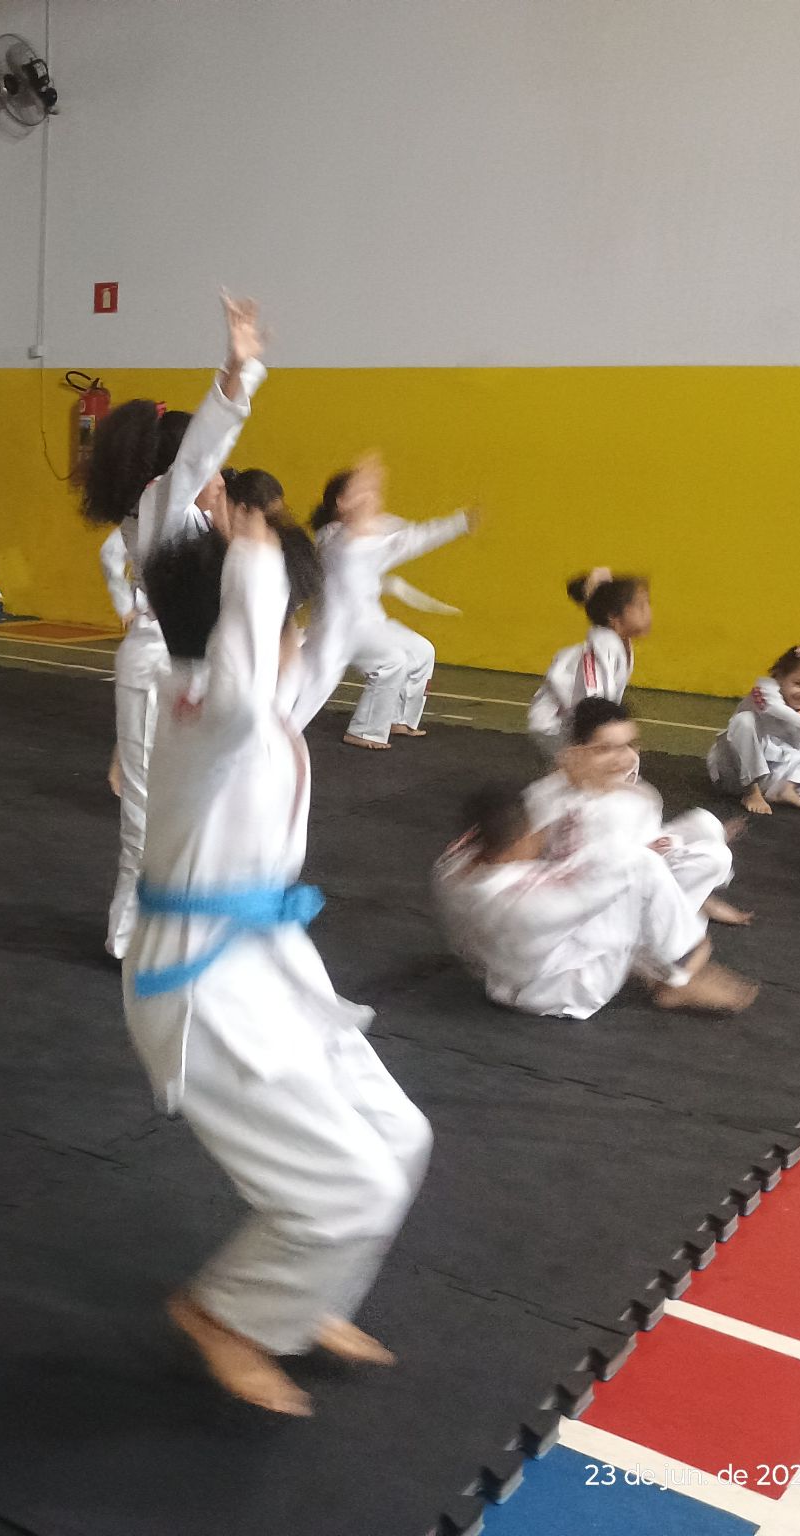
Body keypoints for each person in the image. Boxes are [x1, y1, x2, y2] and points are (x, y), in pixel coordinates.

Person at [125, 486, 428, 1418]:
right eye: (282, 616)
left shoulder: (258, 706)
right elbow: (243, 684)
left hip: (266, 965)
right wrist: (255, 564)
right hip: (204, 991)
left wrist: (350, 553)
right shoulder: (197, 708)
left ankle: (301, 1299)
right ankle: (224, 1315)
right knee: (353, 1189)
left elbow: (328, 649)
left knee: (400, 1138)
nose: (295, 634)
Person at [82, 292, 267, 958]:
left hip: (187, 664)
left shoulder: (175, 513)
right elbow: (206, 444)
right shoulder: (159, 502)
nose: (215, 470)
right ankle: (128, 936)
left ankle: (177, 924)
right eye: (199, 461)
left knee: (194, 803)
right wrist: (237, 370)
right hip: (156, 662)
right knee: (146, 811)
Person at [434, 781, 757, 1018]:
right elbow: (619, 872)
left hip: (504, 972)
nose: (539, 835)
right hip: (565, 989)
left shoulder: (451, 867)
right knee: (640, 868)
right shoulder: (528, 901)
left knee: (647, 855)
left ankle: (672, 947)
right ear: (519, 840)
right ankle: (677, 977)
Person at [525, 697, 751, 927]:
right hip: (591, 907)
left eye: (630, 745)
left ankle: (685, 905)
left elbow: (646, 838)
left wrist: (656, 847)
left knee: (707, 829)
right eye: (605, 749)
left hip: (637, 873)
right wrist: (643, 855)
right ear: (577, 752)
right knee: (706, 856)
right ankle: (677, 918)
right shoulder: (551, 797)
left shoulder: (636, 794)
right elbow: (563, 872)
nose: (623, 758)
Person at [309, 454, 475, 751]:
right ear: (341, 503)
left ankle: (400, 719)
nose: (372, 497)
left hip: (371, 622)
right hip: (340, 627)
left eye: (372, 491)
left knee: (422, 651)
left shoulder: (379, 528)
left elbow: (416, 537)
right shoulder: (331, 536)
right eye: (362, 491)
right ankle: (365, 731)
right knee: (392, 660)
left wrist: (458, 523)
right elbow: (352, 550)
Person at [707, 646, 800, 815]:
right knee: (744, 721)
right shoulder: (764, 690)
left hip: (773, 775)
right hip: (733, 773)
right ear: (780, 676)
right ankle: (751, 793)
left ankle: (786, 788)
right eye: (799, 684)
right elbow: (777, 710)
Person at [525, 569, 650, 758]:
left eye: (648, 604)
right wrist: (613, 738)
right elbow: (592, 705)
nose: (648, 612)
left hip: (579, 720)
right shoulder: (600, 650)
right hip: (554, 725)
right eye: (640, 606)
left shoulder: (617, 645)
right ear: (614, 617)